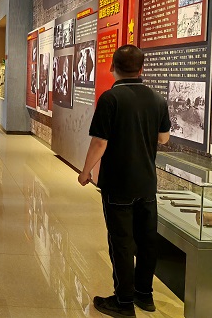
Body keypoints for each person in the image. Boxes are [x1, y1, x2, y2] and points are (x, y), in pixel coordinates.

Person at [78, 45, 170, 318]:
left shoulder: (111, 98)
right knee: (146, 240)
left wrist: (85, 172)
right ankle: (145, 295)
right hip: (146, 182)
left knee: (121, 241)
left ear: (112, 67)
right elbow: (163, 138)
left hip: (118, 182)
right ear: (142, 69)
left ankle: (123, 301)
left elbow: (100, 142)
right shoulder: (157, 99)